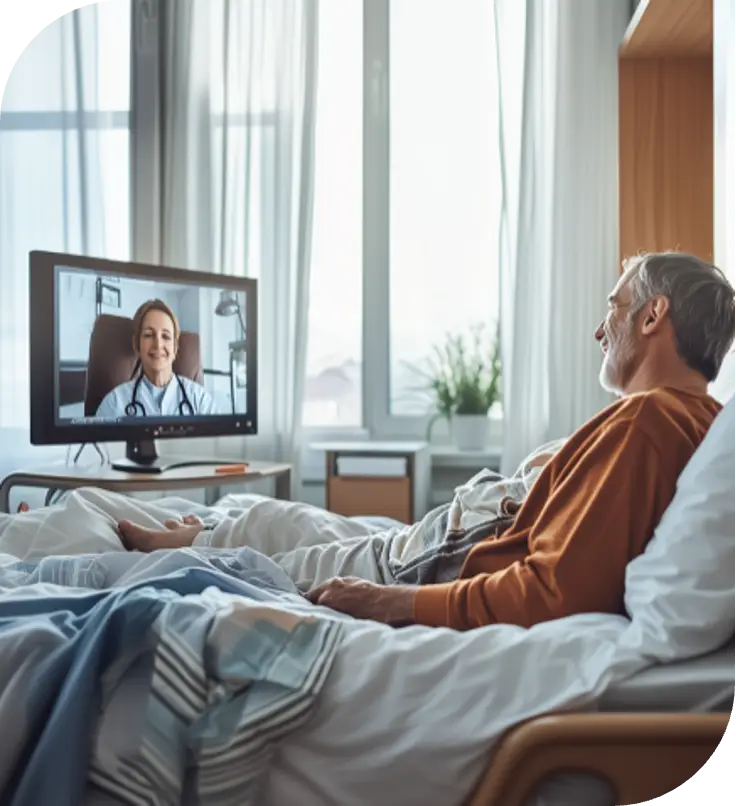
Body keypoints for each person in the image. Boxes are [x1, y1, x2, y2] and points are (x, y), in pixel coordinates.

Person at [118, 252, 736, 630]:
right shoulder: (682, 419)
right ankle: (193, 530)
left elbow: (553, 589)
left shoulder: (649, 423)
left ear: (653, 317)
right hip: (436, 539)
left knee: (259, 561)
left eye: (615, 307)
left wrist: (390, 602)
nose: (601, 329)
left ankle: (153, 555)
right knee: (283, 518)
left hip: (428, 564)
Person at [96, 299, 219, 418]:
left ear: (175, 348)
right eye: (148, 335)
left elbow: (221, 438)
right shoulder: (114, 404)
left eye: (165, 336)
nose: (158, 344)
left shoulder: (200, 400)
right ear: (136, 345)